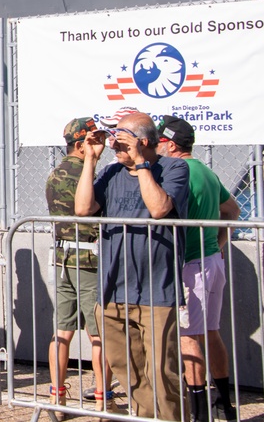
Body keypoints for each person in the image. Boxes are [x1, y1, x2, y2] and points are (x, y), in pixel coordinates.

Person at [75, 110, 189, 421]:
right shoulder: (111, 173)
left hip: (156, 293)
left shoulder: (174, 168)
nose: (115, 144)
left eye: (122, 139)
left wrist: (140, 162)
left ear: (144, 141)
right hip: (113, 291)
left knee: (162, 376)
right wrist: (91, 160)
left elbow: (159, 208)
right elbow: (83, 209)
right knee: (130, 372)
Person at [157, 116, 241, 422]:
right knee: (210, 332)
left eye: (159, 141)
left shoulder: (178, 171)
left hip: (191, 265)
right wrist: (217, 245)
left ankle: (199, 412)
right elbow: (233, 210)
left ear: (170, 144)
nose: (156, 146)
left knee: (188, 336)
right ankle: (225, 404)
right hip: (210, 261)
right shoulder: (206, 170)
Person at [45, 118, 114, 414]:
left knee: (62, 331)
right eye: (93, 140)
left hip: (62, 258)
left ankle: (57, 397)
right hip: (89, 260)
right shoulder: (88, 176)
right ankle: (102, 401)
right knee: (100, 334)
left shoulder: (54, 174)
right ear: (80, 144)